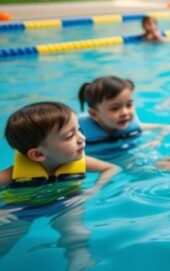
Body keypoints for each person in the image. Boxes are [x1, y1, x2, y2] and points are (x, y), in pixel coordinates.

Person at [0, 102, 120, 264]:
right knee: (4, 243)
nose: (82, 138)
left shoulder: (80, 162)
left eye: (79, 130)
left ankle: (79, 259)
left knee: (76, 233)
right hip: (20, 208)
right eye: (70, 136)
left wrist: (94, 189)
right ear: (38, 154)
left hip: (66, 201)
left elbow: (112, 168)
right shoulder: (12, 175)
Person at [77, 76, 170, 152]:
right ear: (94, 114)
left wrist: (156, 140)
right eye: (114, 108)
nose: (125, 113)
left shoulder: (132, 127)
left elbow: (165, 127)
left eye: (129, 105)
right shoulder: (79, 134)